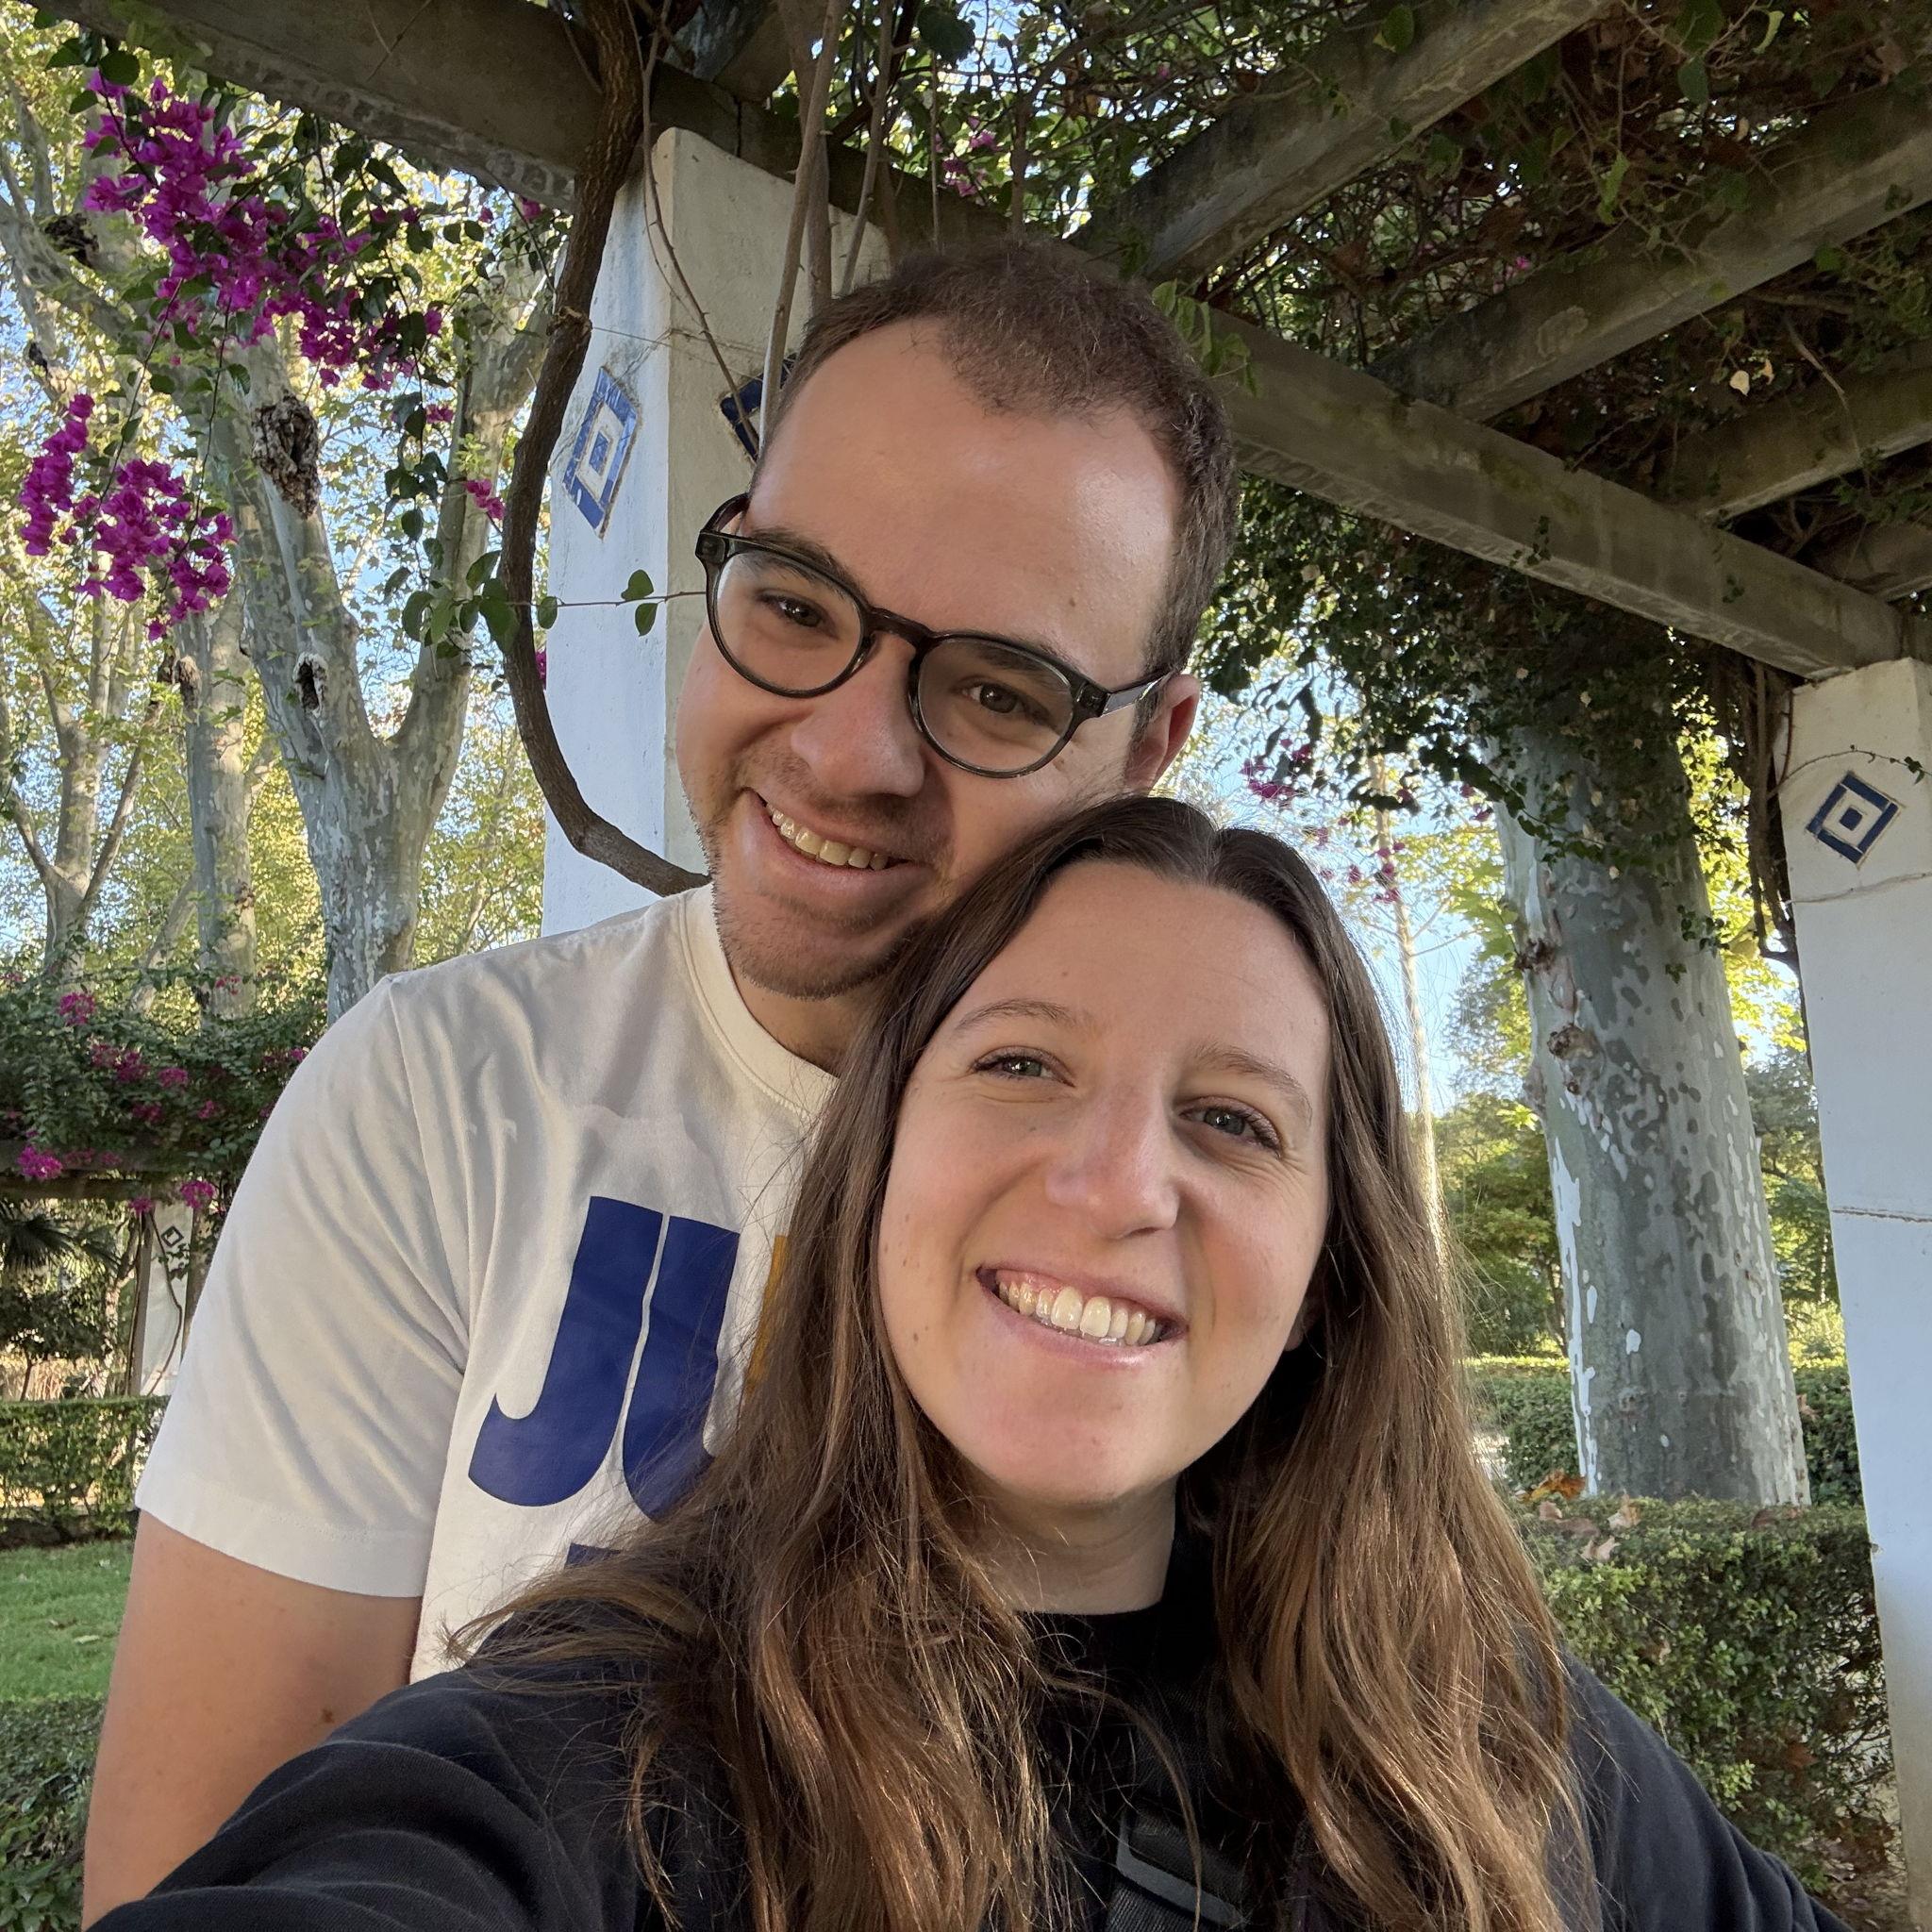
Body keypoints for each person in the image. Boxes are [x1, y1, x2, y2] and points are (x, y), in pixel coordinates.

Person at [96, 796, 1849, 1932]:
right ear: (871, 1182)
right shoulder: (602, 1753)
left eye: (1233, 1120)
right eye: (1021, 1067)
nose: (1113, 1185)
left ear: (1329, 1270)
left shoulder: (1490, 1745)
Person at [82, 245, 1237, 1918]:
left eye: (997, 689)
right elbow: (201, 1860)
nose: (845, 752)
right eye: (793, 606)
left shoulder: (1210, 1209)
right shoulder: (445, 1101)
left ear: (1145, 748)